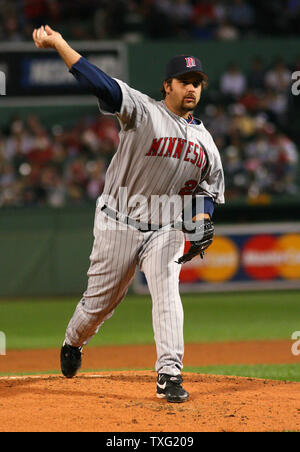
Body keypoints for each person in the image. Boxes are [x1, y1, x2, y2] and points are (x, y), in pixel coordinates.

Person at [32, 25, 225, 403]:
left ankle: (169, 374)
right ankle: (73, 341)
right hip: (118, 222)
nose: (191, 88)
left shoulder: (207, 142)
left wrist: (201, 218)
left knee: (168, 291)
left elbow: (207, 188)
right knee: (97, 306)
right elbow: (98, 81)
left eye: (197, 82)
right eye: (184, 81)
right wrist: (58, 44)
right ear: (166, 85)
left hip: (166, 227)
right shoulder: (142, 110)